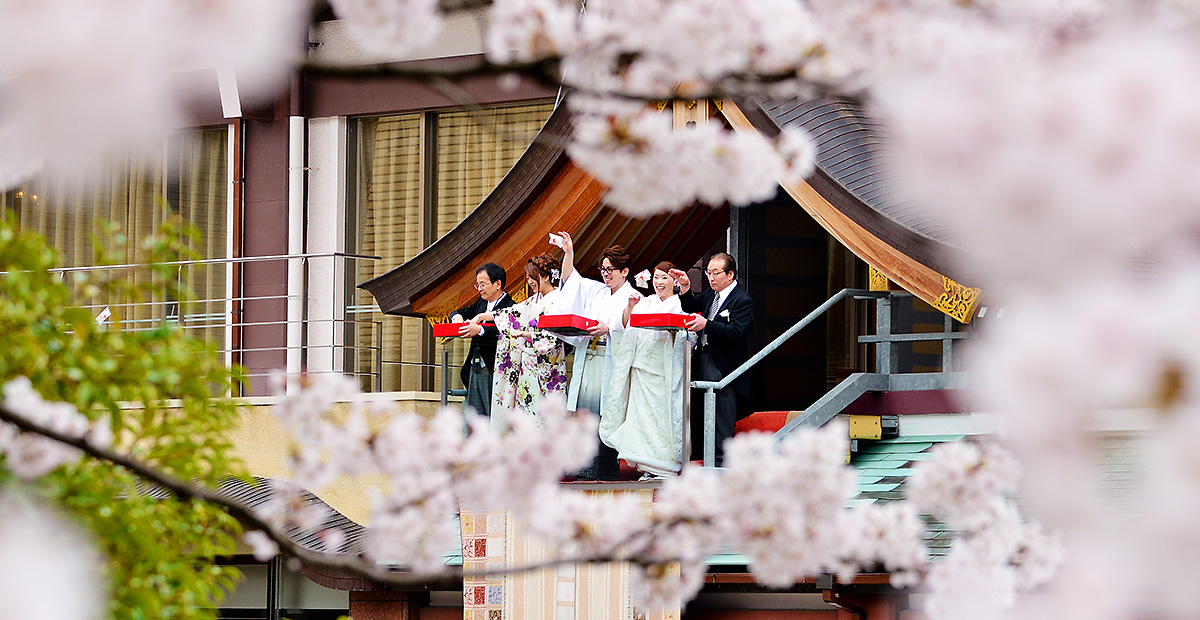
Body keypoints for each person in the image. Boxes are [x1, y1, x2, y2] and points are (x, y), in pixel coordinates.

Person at [554, 232, 641, 481]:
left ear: (625, 272)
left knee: (606, 414)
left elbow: (632, 328)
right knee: (584, 413)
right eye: (603, 269)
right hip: (589, 357)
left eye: (611, 269)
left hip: (611, 360)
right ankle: (582, 469)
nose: (606, 274)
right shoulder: (599, 292)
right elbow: (572, 281)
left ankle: (604, 472)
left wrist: (609, 327)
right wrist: (569, 253)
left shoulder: (634, 297)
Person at [602, 261, 689, 478]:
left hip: (663, 370)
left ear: (674, 282)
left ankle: (665, 466)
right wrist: (631, 307)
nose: (659, 282)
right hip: (641, 368)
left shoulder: (678, 303)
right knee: (640, 420)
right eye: (656, 277)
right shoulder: (646, 301)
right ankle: (646, 467)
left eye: (665, 278)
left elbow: (686, 333)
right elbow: (624, 325)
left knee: (661, 418)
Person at [669, 253, 753, 467]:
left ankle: (722, 462)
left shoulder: (742, 300)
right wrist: (685, 287)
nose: (711, 278)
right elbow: (691, 306)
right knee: (704, 410)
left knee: (723, 412)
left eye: (716, 273)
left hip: (724, 364)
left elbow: (737, 332)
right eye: (708, 273)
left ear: (730, 274)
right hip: (703, 358)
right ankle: (707, 457)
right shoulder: (711, 295)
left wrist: (707, 324)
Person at [468, 254, 568, 427]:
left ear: (545, 277)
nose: (530, 282)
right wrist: (482, 316)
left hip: (547, 366)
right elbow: (512, 312)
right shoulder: (534, 300)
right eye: (528, 278)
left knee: (545, 418)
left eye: (532, 277)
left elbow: (554, 338)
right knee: (526, 416)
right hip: (527, 367)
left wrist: (526, 335)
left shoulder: (558, 300)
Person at [449, 263, 514, 418]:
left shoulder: (511, 306)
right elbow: (460, 311)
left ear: (498, 284)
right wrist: (456, 317)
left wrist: (480, 330)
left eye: (483, 284)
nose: (480, 289)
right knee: (475, 417)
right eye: (477, 285)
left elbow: (506, 329)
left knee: (492, 415)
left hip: (494, 369)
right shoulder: (481, 302)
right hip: (474, 366)